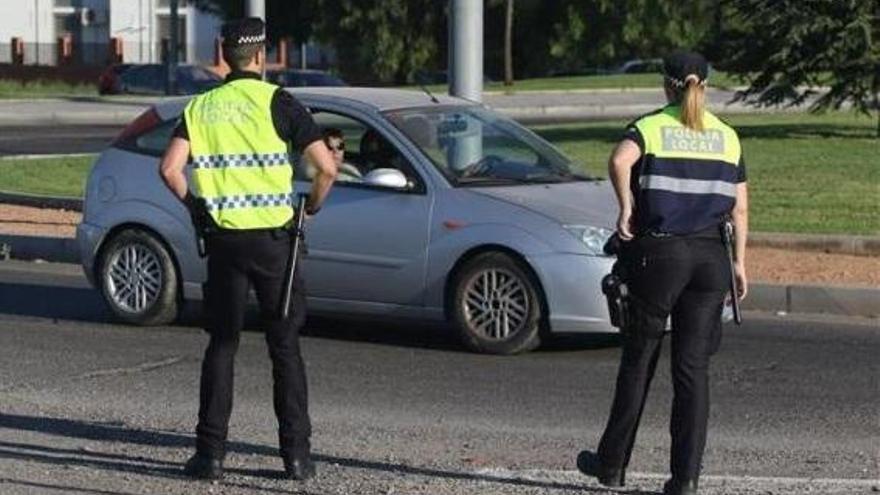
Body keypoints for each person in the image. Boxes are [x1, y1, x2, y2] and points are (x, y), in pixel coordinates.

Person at [158, 17, 337, 481]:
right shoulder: (280, 103)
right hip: (276, 243)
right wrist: (311, 207)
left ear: (224, 56)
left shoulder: (200, 108)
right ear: (261, 57)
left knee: (222, 344)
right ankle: (296, 458)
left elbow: (170, 170)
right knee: (285, 347)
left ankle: (210, 456)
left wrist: (199, 209)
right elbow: (326, 169)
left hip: (224, 242)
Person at [576, 51, 748, 495]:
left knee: (639, 361)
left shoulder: (651, 126)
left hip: (660, 257)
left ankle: (612, 464)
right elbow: (741, 206)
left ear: (666, 85)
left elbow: (619, 161)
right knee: (693, 370)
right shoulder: (727, 136)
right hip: (711, 261)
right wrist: (741, 262)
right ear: (703, 87)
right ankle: (685, 479)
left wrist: (627, 209)